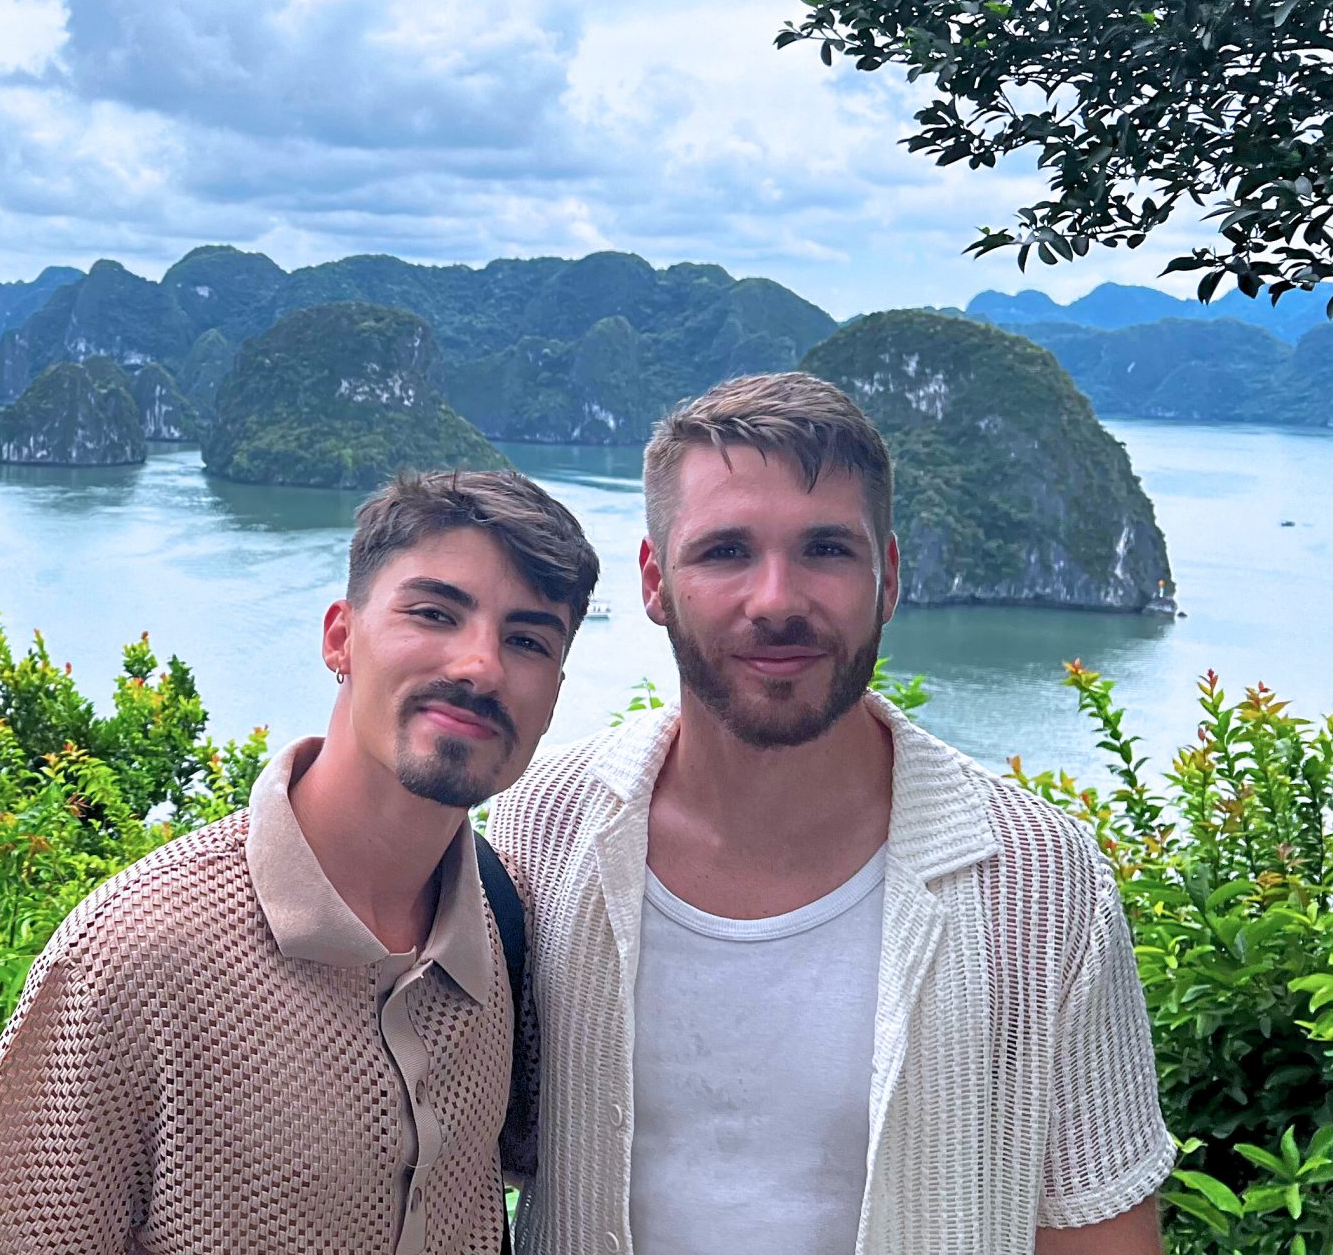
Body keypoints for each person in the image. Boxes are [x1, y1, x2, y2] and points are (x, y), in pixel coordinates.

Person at [487, 372, 1171, 1255]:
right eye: (726, 552)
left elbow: (1100, 1231)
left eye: (826, 550)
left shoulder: (1038, 878)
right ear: (655, 581)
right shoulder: (545, 831)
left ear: (887, 577)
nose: (776, 600)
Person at [0, 469, 600, 1254]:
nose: (481, 666)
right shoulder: (139, 951)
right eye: (435, 613)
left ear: (553, 689)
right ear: (340, 636)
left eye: (528, 640)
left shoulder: (508, 925)